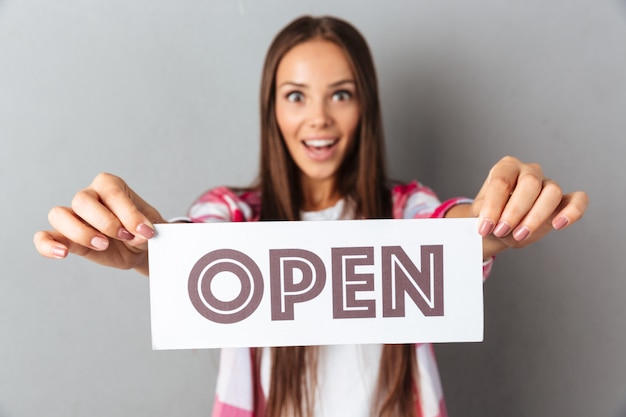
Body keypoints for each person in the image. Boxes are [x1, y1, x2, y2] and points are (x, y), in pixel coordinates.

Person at [33, 15, 588, 417]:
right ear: (271, 108)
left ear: (365, 103)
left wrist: (501, 218)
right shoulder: (233, 213)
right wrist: (141, 249)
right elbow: (190, 247)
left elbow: (454, 229)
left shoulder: (403, 209)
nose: (318, 118)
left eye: (340, 94)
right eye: (295, 96)